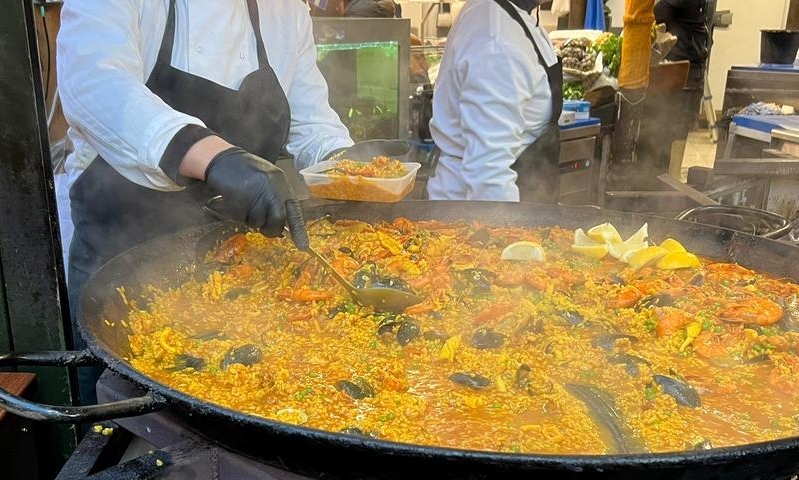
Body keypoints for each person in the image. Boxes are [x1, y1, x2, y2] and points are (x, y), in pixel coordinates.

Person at [58, 0, 396, 402]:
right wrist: (212, 156)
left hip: (246, 261)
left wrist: (349, 169)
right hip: (124, 268)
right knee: (116, 409)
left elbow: (312, 120)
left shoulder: (285, 9)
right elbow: (94, 84)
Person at [427, 0, 564, 202]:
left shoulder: (510, 16)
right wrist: (509, 232)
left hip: (524, 201)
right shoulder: (498, 42)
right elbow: (488, 173)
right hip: (472, 217)